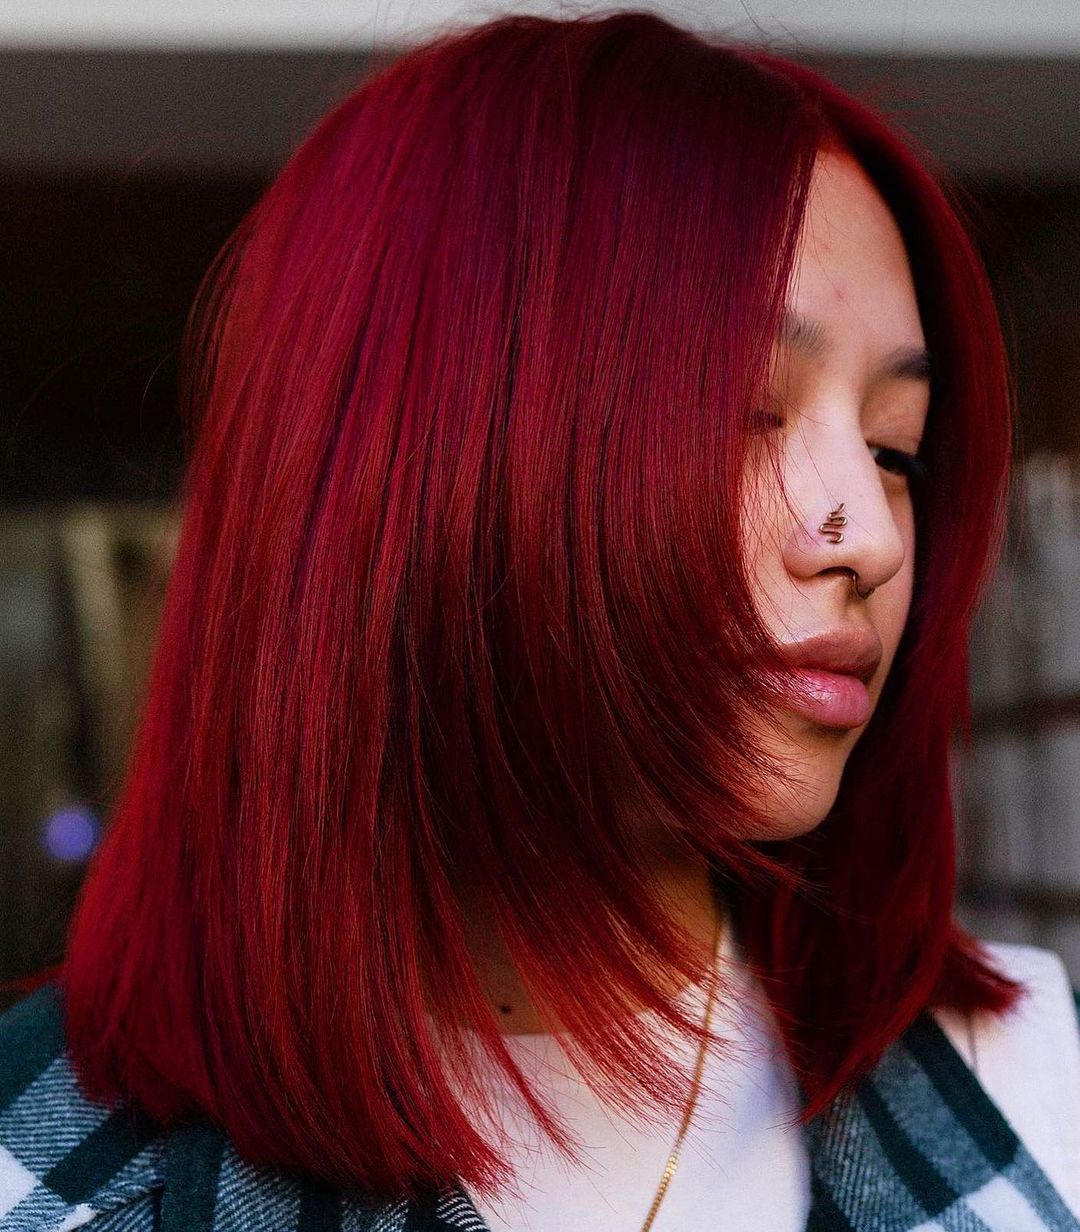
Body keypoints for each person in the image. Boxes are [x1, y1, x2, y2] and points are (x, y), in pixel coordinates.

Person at [0, 9, 1078, 1231]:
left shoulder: (1031, 1092)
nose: (871, 536)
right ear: (417, 463)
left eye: (897, 450)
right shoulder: (54, 1178)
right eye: (740, 412)